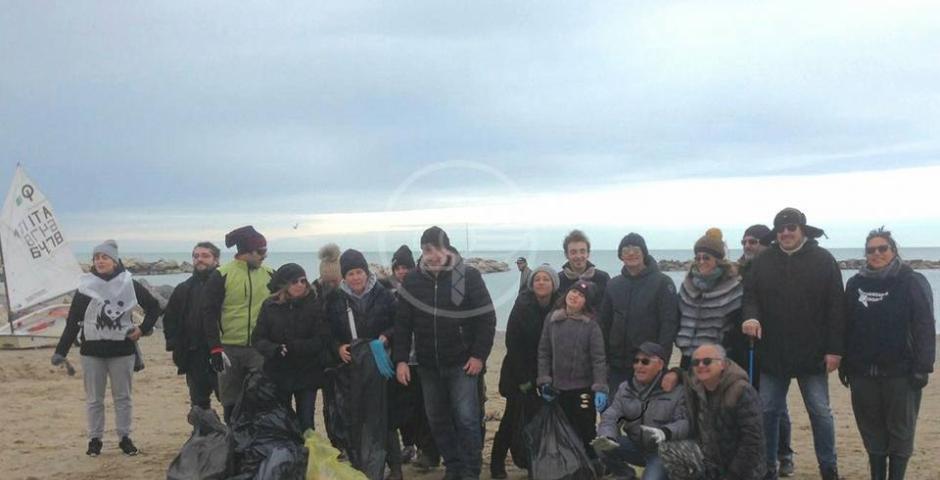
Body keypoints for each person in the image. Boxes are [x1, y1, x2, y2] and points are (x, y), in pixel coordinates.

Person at [742, 207, 844, 480]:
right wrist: (750, 317)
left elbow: (836, 307)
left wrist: (835, 349)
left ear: (802, 230)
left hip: (813, 354)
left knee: (821, 413)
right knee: (767, 412)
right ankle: (768, 468)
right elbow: (750, 296)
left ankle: (828, 467)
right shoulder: (763, 262)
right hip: (773, 353)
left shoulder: (823, 260)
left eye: (791, 228)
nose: (786, 233)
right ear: (776, 233)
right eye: (781, 229)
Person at [394, 226, 496, 480]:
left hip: (462, 363)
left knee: (467, 420)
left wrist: (478, 356)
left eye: (439, 248)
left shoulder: (467, 275)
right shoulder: (413, 281)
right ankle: (453, 466)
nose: (434, 255)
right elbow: (403, 324)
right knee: (437, 420)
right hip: (428, 364)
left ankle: (471, 470)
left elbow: (487, 318)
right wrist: (401, 360)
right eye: (428, 249)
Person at [52, 240, 162, 456]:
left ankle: (125, 438)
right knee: (94, 399)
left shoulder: (128, 283)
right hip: (92, 353)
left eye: (105, 257)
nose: (100, 261)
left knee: (123, 398)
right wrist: (61, 351)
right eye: (96, 258)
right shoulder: (85, 286)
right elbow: (73, 321)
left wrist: (142, 329)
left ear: (114, 260)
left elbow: (154, 307)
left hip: (122, 351)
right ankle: (95, 440)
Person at [841, 228, 935, 480]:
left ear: (893, 251)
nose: (877, 253)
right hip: (862, 373)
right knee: (872, 432)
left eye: (882, 248)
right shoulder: (855, 283)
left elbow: (925, 325)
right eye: (871, 250)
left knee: (900, 432)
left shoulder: (911, 281)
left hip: (901, 373)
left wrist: (923, 366)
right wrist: (845, 364)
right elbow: (846, 325)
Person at [328, 249, 403, 480]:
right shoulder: (336, 299)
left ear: (366, 272)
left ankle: (396, 468)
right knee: (357, 417)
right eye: (350, 273)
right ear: (344, 276)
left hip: (381, 365)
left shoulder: (383, 294)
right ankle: (363, 466)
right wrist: (338, 347)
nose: (356, 278)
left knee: (385, 417)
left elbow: (399, 322)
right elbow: (327, 331)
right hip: (352, 368)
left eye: (359, 272)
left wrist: (386, 336)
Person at [733, 224, 796, 477]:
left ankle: (784, 454)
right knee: (746, 402)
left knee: (774, 405)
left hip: (772, 347)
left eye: (754, 241)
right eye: (745, 241)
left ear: (767, 243)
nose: (749, 246)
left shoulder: (778, 268)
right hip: (740, 345)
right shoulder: (734, 271)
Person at [490, 264, 560, 478]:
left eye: (546, 279)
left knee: (540, 422)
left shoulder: (559, 306)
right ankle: (496, 464)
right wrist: (525, 380)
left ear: (554, 284)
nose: (541, 282)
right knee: (513, 418)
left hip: (547, 373)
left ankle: (535, 465)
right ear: (531, 283)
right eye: (537, 279)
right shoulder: (522, 304)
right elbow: (512, 342)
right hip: (518, 373)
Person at [203, 225, 274, 424]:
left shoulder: (270, 275)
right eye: (261, 252)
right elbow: (208, 313)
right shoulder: (221, 275)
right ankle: (233, 442)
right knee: (231, 402)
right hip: (229, 349)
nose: (264, 256)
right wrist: (215, 348)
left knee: (262, 398)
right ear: (246, 252)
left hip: (258, 349)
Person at [591, 342, 689, 480]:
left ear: (660, 365)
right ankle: (626, 474)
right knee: (600, 445)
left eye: (645, 361)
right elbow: (611, 416)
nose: (638, 366)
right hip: (636, 446)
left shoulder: (677, 391)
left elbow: (685, 422)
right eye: (636, 361)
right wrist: (607, 437)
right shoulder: (625, 388)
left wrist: (666, 432)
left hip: (662, 453)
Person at [252, 263, 331, 433]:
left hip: (307, 372)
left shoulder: (314, 305)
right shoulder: (270, 306)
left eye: (303, 281)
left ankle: (308, 454)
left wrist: (295, 347)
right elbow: (258, 338)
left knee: (306, 421)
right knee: (282, 419)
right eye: (295, 281)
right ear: (284, 284)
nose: (300, 285)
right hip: (278, 372)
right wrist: (274, 349)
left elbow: (321, 339)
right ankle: (288, 454)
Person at [537, 281, 608, 462]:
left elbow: (598, 359)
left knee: (586, 430)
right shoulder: (552, 319)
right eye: (573, 291)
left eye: (581, 295)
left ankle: (594, 464)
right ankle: (569, 466)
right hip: (558, 388)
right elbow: (544, 351)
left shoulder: (591, 325)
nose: (575, 296)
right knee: (563, 431)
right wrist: (544, 380)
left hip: (583, 389)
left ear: (587, 303)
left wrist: (600, 387)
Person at [600, 232, 679, 392]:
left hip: (648, 364)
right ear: (620, 256)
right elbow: (604, 323)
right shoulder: (613, 285)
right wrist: (605, 360)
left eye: (635, 249)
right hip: (617, 366)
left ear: (644, 252)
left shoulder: (662, 282)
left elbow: (669, 324)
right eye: (625, 250)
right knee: (616, 413)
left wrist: (661, 360)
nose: (630, 253)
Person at [389, 245, 440, 470]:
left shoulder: (423, 289)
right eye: (398, 268)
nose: (402, 272)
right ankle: (409, 444)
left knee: (426, 408)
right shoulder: (387, 292)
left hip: (424, 358)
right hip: (400, 359)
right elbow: (391, 324)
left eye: (406, 267)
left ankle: (427, 451)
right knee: (405, 407)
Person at [688, 344, 766, 480]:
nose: (700, 365)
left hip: (742, 469)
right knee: (670, 449)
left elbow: (753, 440)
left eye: (707, 361)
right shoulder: (695, 388)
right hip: (711, 465)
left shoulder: (741, 390)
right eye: (696, 362)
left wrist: (732, 475)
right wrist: (675, 373)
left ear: (722, 364)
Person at [163, 241, 222, 412]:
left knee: (229, 400)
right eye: (196, 256)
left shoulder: (226, 286)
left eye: (205, 256)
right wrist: (174, 343)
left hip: (221, 352)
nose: (199, 260)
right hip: (194, 354)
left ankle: (233, 436)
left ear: (216, 260)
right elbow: (170, 318)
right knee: (199, 403)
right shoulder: (184, 288)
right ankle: (202, 434)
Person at [675, 228, 743, 368]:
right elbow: (677, 316)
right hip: (688, 355)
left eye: (706, 257)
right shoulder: (687, 285)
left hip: (716, 357)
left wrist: (723, 343)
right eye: (698, 257)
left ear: (718, 260)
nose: (701, 261)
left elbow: (736, 325)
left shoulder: (732, 287)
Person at [558, 229, 610, 308]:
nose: (578, 256)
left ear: (588, 253)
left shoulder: (603, 278)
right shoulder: (558, 280)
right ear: (566, 255)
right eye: (573, 252)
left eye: (582, 251)